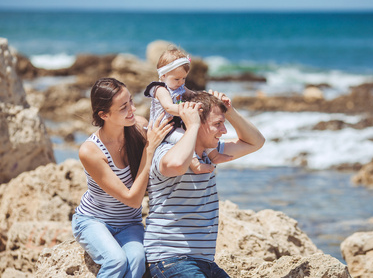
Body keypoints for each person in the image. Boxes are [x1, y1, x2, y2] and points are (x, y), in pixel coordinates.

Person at [144, 90, 265, 278]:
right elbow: (176, 165)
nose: (224, 131)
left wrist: (229, 110)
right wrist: (192, 126)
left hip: (204, 262)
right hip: (170, 259)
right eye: (218, 124)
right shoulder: (166, 151)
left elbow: (256, 142)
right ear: (195, 123)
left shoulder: (210, 154)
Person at [72, 77, 172, 278]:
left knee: (136, 260)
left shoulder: (138, 128)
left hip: (129, 223)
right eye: (123, 107)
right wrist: (149, 149)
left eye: (132, 102)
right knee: (116, 260)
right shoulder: (90, 151)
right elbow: (132, 199)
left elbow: (173, 127)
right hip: (94, 221)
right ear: (104, 114)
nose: (132, 110)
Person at [144, 46, 232, 174]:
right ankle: (196, 165)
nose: (181, 82)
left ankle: (214, 155)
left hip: (177, 123)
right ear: (163, 75)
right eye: (177, 79)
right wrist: (187, 110)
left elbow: (193, 95)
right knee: (184, 138)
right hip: (164, 128)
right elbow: (168, 107)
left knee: (200, 135)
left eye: (184, 78)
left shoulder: (179, 87)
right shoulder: (160, 89)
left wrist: (210, 98)